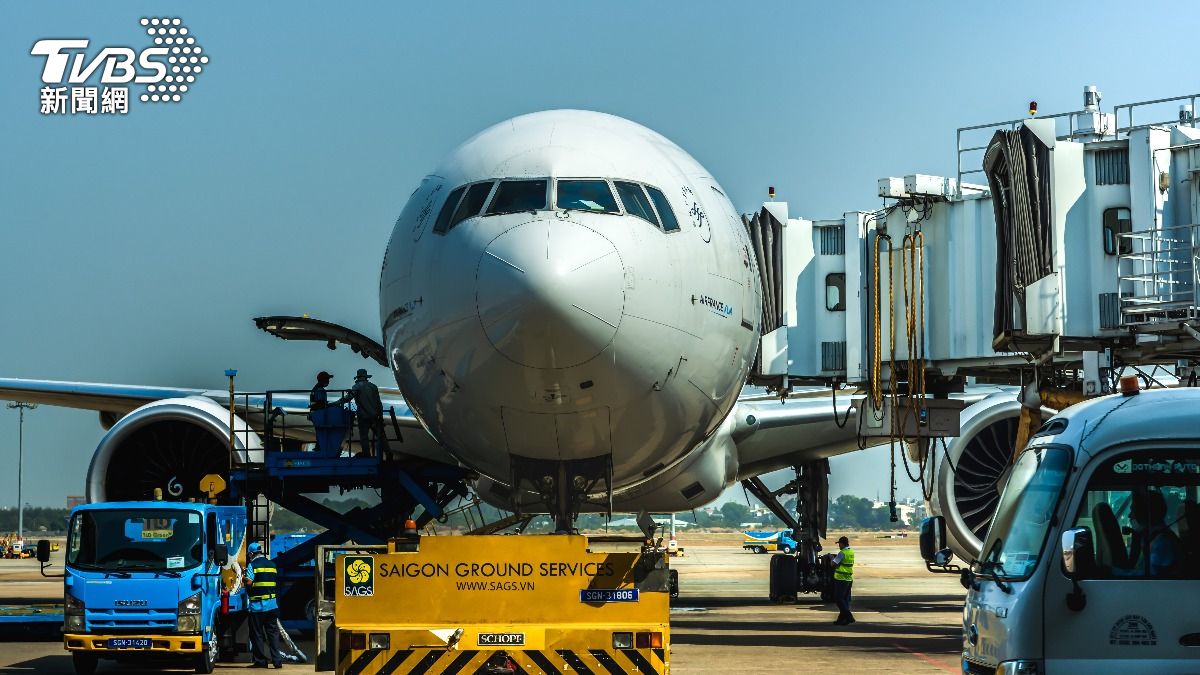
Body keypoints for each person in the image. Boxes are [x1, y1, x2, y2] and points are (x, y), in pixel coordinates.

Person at [243, 542, 284, 668]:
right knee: (273, 634)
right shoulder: (272, 564)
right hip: (272, 606)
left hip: (258, 607)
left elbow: (249, 582)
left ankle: (260, 661)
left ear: (251, 553)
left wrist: (243, 576)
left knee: (257, 634)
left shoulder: (252, 565)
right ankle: (277, 661)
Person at [336, 369, 385, 457]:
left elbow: (348, 398)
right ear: (366, 377)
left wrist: (336, 403)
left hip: (363, 416)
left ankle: (367, 455)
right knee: (381, 437)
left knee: (364, 437)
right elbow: (379, 403)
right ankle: (388, 453)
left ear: (358, 377)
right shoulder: (373, 386)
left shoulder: (356, 387)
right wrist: (380, 416)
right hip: (375, 416)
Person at [830, 535, 856, 625]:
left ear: (842, 543)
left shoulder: (842, 553)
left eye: (839, 544)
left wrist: (831, 558)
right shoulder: (851, 552)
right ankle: (842, 620)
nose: (838, 546)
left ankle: (849, 616)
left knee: (838, 598)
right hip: (849, 578)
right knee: (845, 600)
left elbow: (833, 564)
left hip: (841, 579)